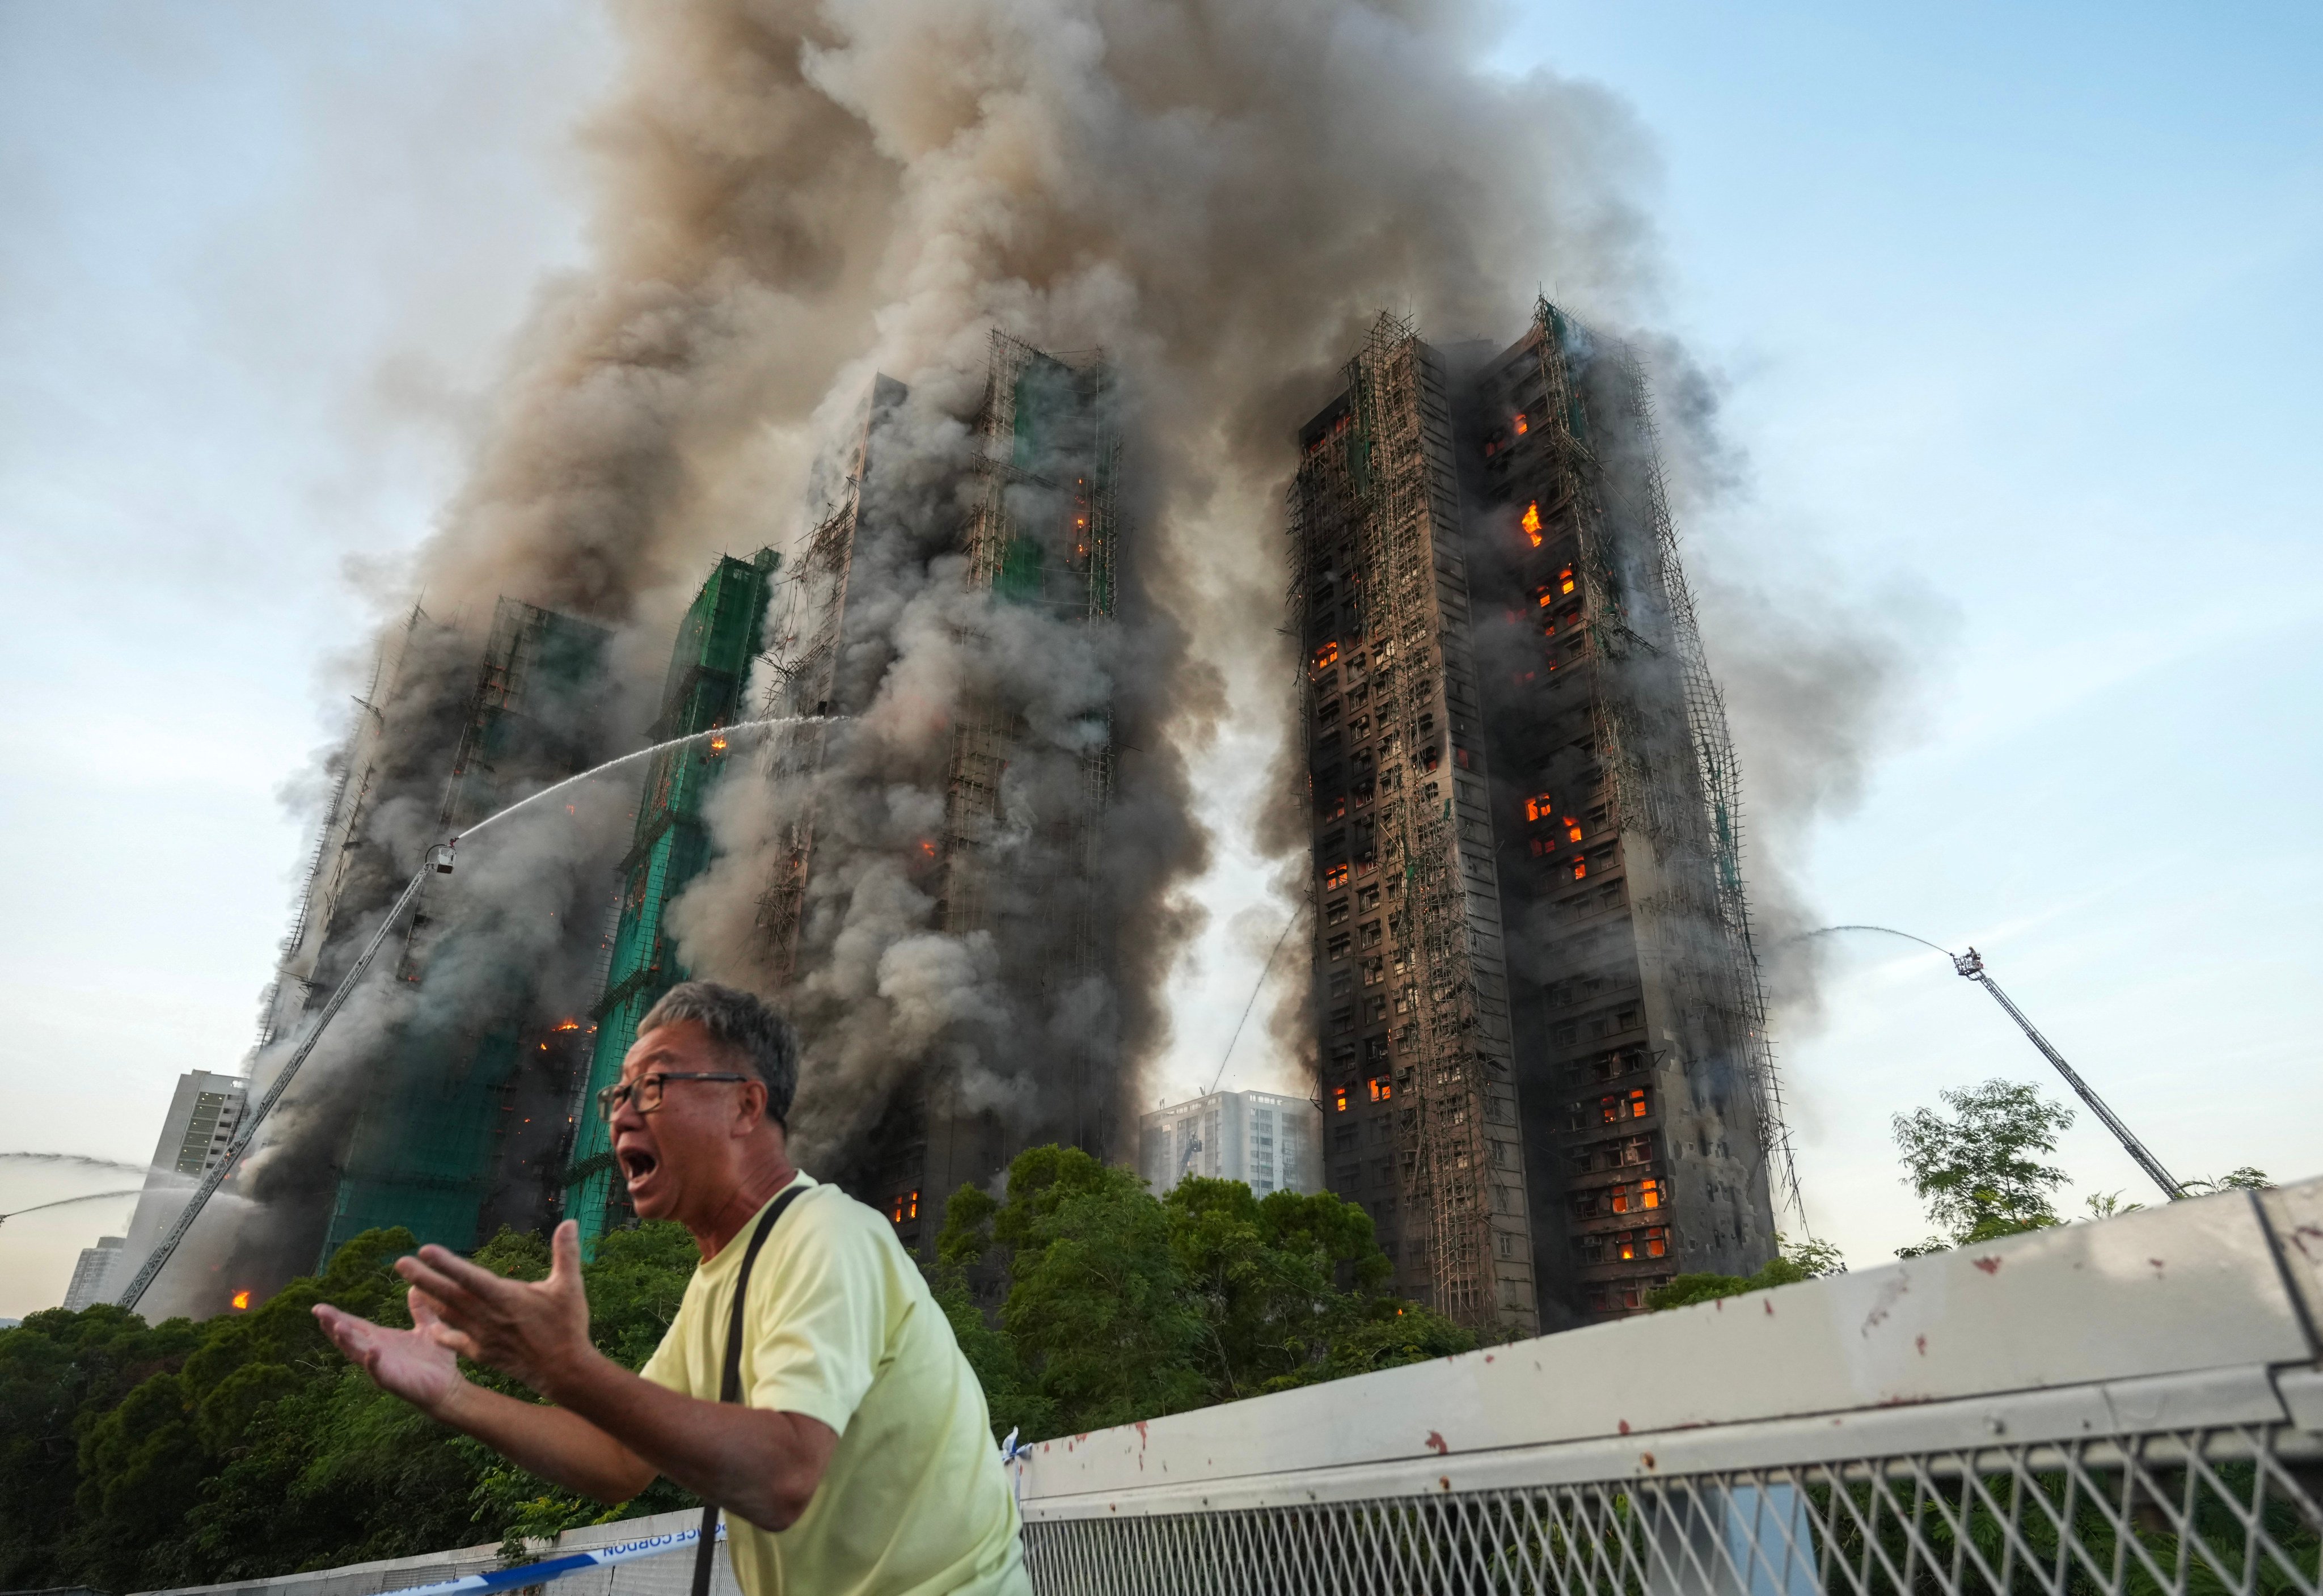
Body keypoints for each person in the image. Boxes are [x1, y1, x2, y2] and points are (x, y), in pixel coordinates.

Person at [315, 981, 1029, 1596]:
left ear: (747, 1107)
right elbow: (620, 1460)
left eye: (653, 1085)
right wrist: (455, 1395)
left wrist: (566, 1367)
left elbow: (783, 1475)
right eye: (617, 1093)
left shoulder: (827, 1233)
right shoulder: (724, 1276)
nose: (624, 1111)